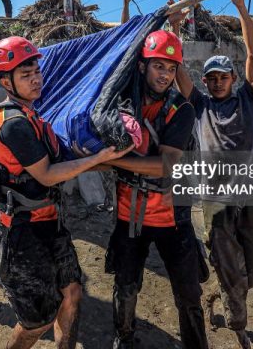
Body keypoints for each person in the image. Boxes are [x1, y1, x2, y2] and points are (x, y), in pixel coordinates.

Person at [0, 36, 133, 348]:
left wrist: (106, 162)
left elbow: (60, 160)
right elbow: (48, 175)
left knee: (72, 293)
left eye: (36, 71)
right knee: (37, 322)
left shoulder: (33, 115)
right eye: (26, 75)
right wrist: (98, 159)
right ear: (5, 81)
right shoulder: (12, 124)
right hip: (21, 232)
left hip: (50, 221)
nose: (36, 79)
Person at [170, 0, 253, 349]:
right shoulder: (199, 105)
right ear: (207, 82)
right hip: (216, 200)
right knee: (228, 267)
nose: (218, 82)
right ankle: (237, 324)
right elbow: (177, 68)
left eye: (224, 76)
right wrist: (175, 28)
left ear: (233, 79)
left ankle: (230, 298)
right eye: (212, 78)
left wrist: (242, 10)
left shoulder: (250, 100)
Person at [99, 29, 208, 349]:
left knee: (188, 295)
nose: (165, 75)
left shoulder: (180, 109)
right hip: (129, 214)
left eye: (172, 68)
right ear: (142, 65)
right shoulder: (122, 101)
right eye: (159, 66)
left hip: (172, 217)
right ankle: (124, 339)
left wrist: (113, 161)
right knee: (126, 286)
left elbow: (166, 165)